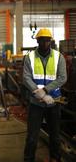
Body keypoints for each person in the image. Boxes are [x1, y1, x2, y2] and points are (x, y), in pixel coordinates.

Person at [23, 28, 67, 162]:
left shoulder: (59, 57)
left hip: (53, 103)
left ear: (51, 41)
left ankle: (55, 159)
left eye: (47, 40)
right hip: (36, 103)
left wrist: (46, 90)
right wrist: (40, 95)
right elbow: (26, 78)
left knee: (55, 136)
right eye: (42, 40)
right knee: (32, 137)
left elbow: (62, 77)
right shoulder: (29, 57)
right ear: (37, 41)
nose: (44, 43)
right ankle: (29, 159)